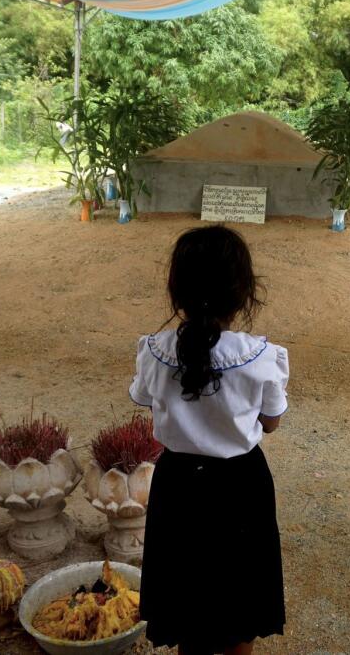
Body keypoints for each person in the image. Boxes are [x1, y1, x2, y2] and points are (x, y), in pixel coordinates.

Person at [131, 225, 288, 655]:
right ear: (244, 293)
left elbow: (147, 402)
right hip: (241, 486)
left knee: (187, 603)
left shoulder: (154, 351)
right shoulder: (261, 358)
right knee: (240, 607)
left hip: (179, 485)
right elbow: (271, 423)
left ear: (176, 289)